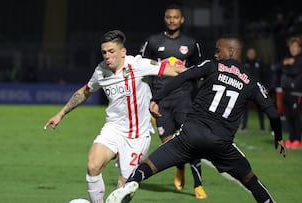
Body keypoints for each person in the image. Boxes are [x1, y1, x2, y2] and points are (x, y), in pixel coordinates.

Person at [106, 35, 287, 203]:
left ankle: (131, 184)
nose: (215, 54)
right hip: (221, 144)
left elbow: (183, 77)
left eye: (218, 50)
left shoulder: (212, 66)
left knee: (149, 166)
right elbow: (272, 113)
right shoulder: (252, 82)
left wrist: (157, 98)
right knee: (251, 180)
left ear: (231, 51)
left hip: (190, 136)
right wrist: (278, 136)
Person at [44, 30, 186, 203]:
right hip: (113, 128)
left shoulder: (137, 65)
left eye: (111, 51)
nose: (107, 56)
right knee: (93, 166)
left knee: (123, 188)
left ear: (123, 52)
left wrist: (205, 74)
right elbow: (84, 92)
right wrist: (61, 114)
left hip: (137, 135)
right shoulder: (101, 71)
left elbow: (174, 70)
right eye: (104, 52)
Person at [139, 3, 207, 198]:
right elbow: (141, 67)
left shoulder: (192, 43)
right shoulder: (152, 41)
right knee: (170, 144)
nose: (172, 20)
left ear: (182, 19)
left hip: (185, 99)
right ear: (165, 19)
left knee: (191, 140)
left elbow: (200, 70)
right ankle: (180, 166)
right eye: (169, 17)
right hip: (161, 100)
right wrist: (148, 99)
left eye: (175, 17)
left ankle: (198, 185)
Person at [280, 36, 302, 149]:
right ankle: (292, 138)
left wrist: (287, 64)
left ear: (299, 48)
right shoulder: (288, 58)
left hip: (296, 93)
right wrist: (286, 64)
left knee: (295, 116)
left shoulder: (300, 59)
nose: (292, 49)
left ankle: (298, 139)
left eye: (295, 47)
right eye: (291, 47)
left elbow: (295, 71)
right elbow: (281, 68)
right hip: (286, 92)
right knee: (288, 117)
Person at [240, 47, 266, 132]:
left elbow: (264, 75)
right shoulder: (243, 63)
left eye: (253, 53)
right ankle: (244, 126)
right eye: (250, 53)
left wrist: (264, 86)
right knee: (244, 108)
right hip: (246, 89)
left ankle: (262, 127)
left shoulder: (259, 63)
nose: (251, 55)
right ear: (247, 54)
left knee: (260, 108)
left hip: (257, 88)